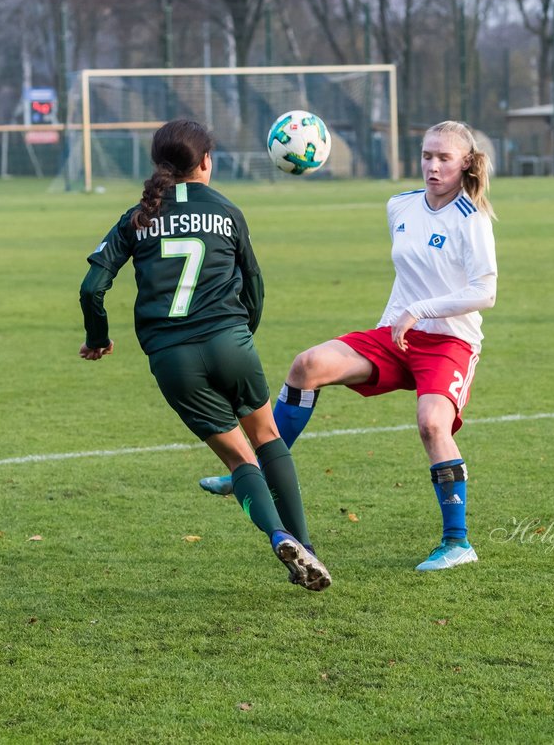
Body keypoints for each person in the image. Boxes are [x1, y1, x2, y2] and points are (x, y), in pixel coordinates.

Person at [201, 121, 497, 572]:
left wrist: (421, 309)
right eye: (427, 156)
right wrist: (403, 315)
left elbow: (486, 292)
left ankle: (457, 542)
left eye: (444, 159)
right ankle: (254, 471)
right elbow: (413, 273)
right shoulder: (399, 206)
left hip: (449, 342)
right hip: (395, 336)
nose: (432, 166)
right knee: (307, 365)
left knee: (433, 425)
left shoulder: (471, 218)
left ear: (465, 164)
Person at [78, 118, 330, 591]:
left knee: (239, 461)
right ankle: (307, 545)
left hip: (173, 360)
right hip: (230, 344)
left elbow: (92, 287)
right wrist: (239, 336)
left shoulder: (138, 216)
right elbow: (254, 286)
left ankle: (277, 534)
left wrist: (97, 338)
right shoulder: (228, 211)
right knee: (267, 436)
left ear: (159, 165)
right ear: (206, 162)